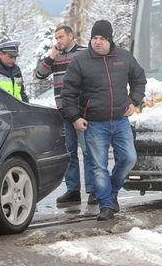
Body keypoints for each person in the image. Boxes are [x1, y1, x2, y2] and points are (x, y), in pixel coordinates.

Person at [61, 20, 146, 221]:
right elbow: (68, 92)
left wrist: (134, 100)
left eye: (102, 38)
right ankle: (106, 205)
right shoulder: (80, 61)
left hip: (120, 120)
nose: (97, 42)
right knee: (98, 167)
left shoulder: (124, 58)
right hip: (94, 123)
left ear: (110, 39)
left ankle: (111, 191)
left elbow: (139, 78)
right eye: (94, 38)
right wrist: (75, 117)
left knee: (129, 159)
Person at [34, 25, 96, 205]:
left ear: (70, 35)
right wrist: (52, 54)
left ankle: (93, 190)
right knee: (69, 153)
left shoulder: (85, 52)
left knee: (88, 151)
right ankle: (73, 190)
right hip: (63, 111)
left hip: (83, 111)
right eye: (56, 38)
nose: (58, 41)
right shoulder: (55, 56)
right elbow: (39, 74)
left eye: (60, 37)